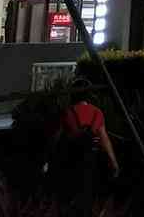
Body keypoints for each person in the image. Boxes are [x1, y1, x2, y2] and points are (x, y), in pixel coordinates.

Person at [51, 79, 119, 212]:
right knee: (87, 194)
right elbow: (105, 140)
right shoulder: (97, 113)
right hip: (90, 160)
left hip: (70, 159)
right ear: (89, 94)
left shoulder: (67, 112)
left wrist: (50, 157)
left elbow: (56, 138)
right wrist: (113, 162)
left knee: (69, 196)